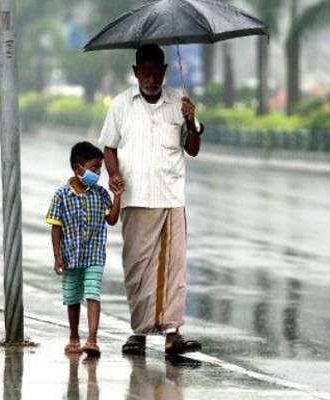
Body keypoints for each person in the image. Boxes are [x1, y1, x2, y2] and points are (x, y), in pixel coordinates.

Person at [99, 44, 203, 356]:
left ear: (166, 71)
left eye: (157, 73)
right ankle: (138, 334)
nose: (151, 78)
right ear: (135, 73)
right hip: (135, 197)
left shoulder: (178, 103)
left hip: (170, 195)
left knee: (173, 268)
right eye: (145, 73)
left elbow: (194, 148)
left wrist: (191, 121)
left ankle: (173, 335)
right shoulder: (121, 104)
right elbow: (108, 147)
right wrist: (114, 175)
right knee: (137, 266)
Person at [46, 142, 122, 357]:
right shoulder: (61, 195)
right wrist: (57, 256)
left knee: (92, 292)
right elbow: (56, 228)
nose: (98, 173)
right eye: (94, 168)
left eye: (100, 169)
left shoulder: (100, 193)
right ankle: (73, 336)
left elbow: (112, 219)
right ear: (78, 169)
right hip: (71, 256)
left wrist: (117, 196)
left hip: (95, 255)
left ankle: (92, 339)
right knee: (72, 297)